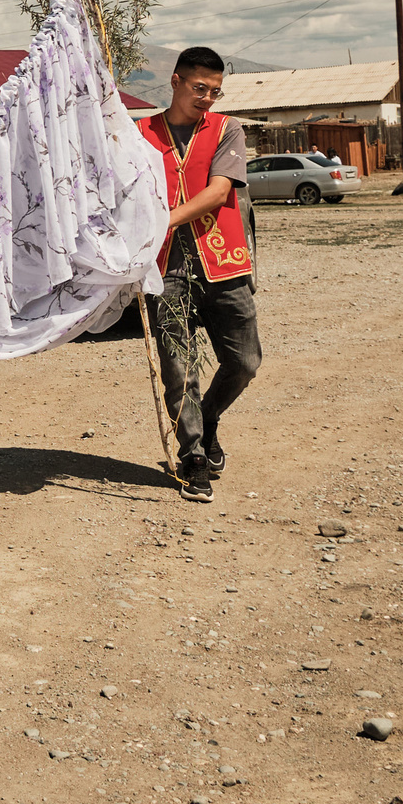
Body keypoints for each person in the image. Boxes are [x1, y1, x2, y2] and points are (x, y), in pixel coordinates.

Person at [138, 46, 260, 503]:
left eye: (214, 90)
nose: (208, 97)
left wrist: (162, 219)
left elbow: (219, 191)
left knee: (245, 362)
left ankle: (208, 417)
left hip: (223, 262)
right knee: (178, 367)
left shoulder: (228, 129)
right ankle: (191, 456)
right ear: (175, 81)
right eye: (199, 88)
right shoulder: (140, 133)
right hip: (165, 268)